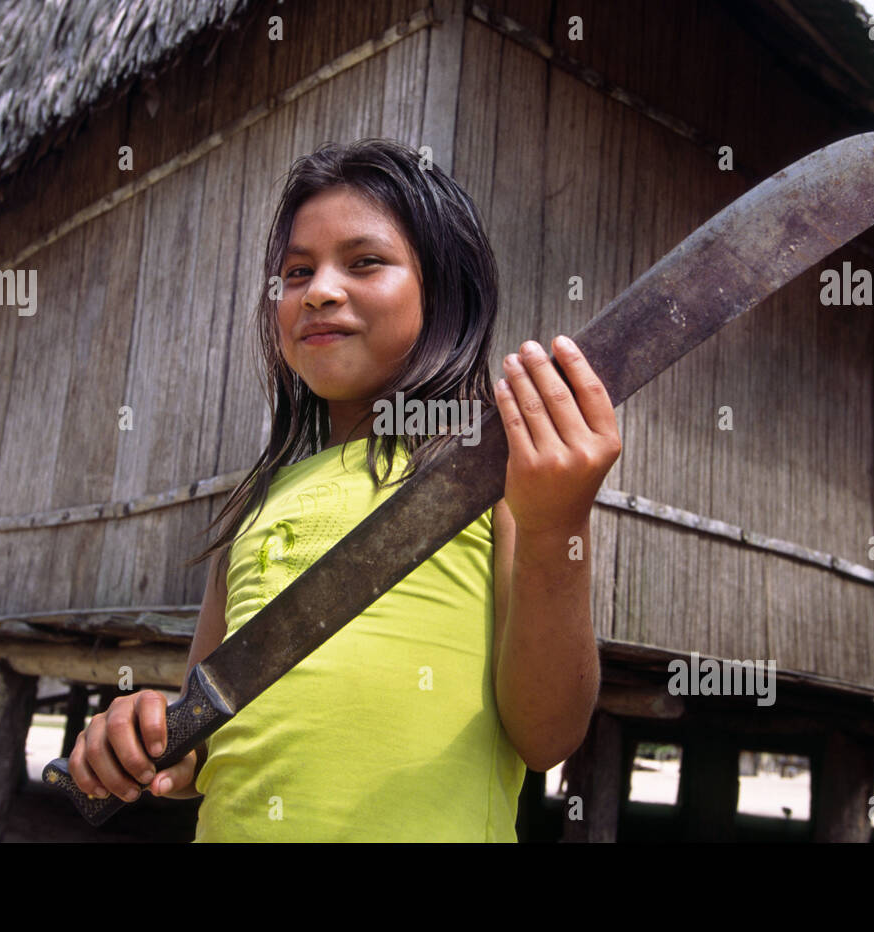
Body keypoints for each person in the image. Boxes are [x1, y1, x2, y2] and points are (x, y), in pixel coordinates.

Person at [67, 138, 621, 841]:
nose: (320, 290)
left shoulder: (494, 477)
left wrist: (555, 527)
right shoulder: (256, 505)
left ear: (446, 289)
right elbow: (199, 745)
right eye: (297, 272)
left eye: (365, 262)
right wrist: (138, 732)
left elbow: (548, 736)